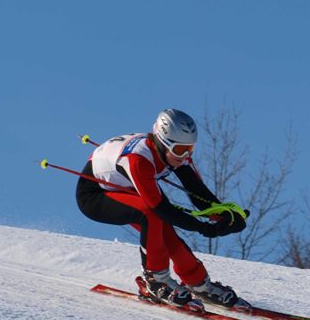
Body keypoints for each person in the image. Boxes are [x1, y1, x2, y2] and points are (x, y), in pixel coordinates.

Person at [76, 109, 247, 309]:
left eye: (190, 149)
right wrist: (203, 228)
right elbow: (161, 209)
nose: (185, 156)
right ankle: (155, 280)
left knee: (163, 231)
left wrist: (224, 214)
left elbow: (196, 191)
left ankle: (198, 283)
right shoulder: (139, 161)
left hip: (128, 187)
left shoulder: (170, 153)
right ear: (163, 142)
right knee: (151, 215)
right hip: (95, 194)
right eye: (180, 150)